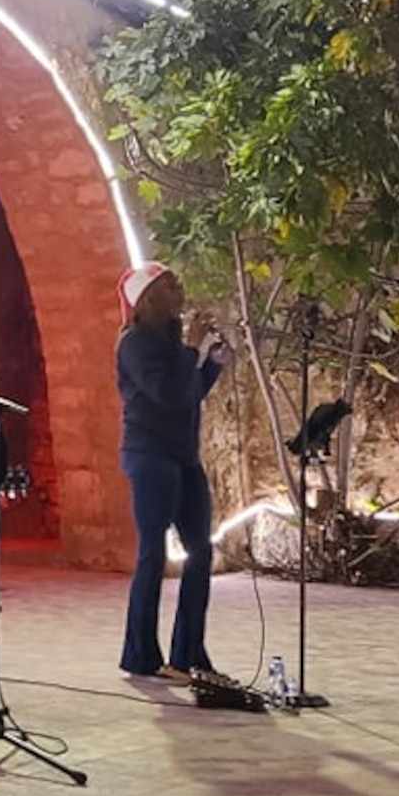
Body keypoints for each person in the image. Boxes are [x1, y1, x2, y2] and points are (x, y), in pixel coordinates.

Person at [115, 262, 231, 682]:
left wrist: (211, 367)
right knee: (153, 554)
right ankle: (142, 655)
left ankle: (188, 653)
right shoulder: (135, 344)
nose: (180, 290)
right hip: (149, 455)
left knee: (200, 550)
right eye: (171, 285)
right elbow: (165, 395)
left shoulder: (172, 343)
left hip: (183, 455)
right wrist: (192, 353)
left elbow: (187, 394)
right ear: (150, 297)